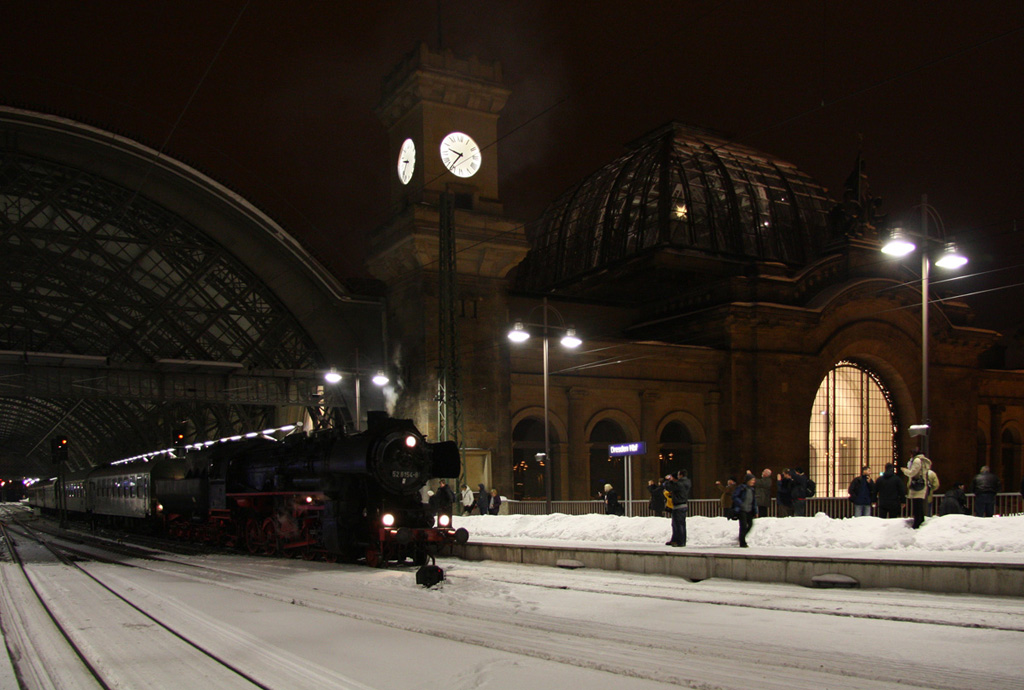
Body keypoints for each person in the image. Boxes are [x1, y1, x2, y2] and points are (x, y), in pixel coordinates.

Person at [901, 452, 939, 529]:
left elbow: (912, 473)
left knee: (916, 506)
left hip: (917, 486)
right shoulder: (923, 461)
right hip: (922, 486)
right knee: (919, 505)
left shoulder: (917, 461)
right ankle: (920, 520)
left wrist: (905, 471)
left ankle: (917, 522)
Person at [664, 471, 691, 546]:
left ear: (681, 475)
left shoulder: (680, 484)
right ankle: (675, 540)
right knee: (677, 524)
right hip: (682, 505)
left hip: (678, 505)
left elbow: (669, 487)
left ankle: (680, 542)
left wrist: (668, 480)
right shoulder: (686, 482)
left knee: (679, 525)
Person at [734, 474, 757, 547]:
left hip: (749, 510)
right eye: (752, 480)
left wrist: (755, 511)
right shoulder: (741, 488)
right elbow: (735, 496)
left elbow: (754, 501)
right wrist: (741, 503)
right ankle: (742, 542)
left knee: (750, 524)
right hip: (742, 510)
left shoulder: (752, 490)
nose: (753, 482)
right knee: (743, 525)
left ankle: (741, 537)